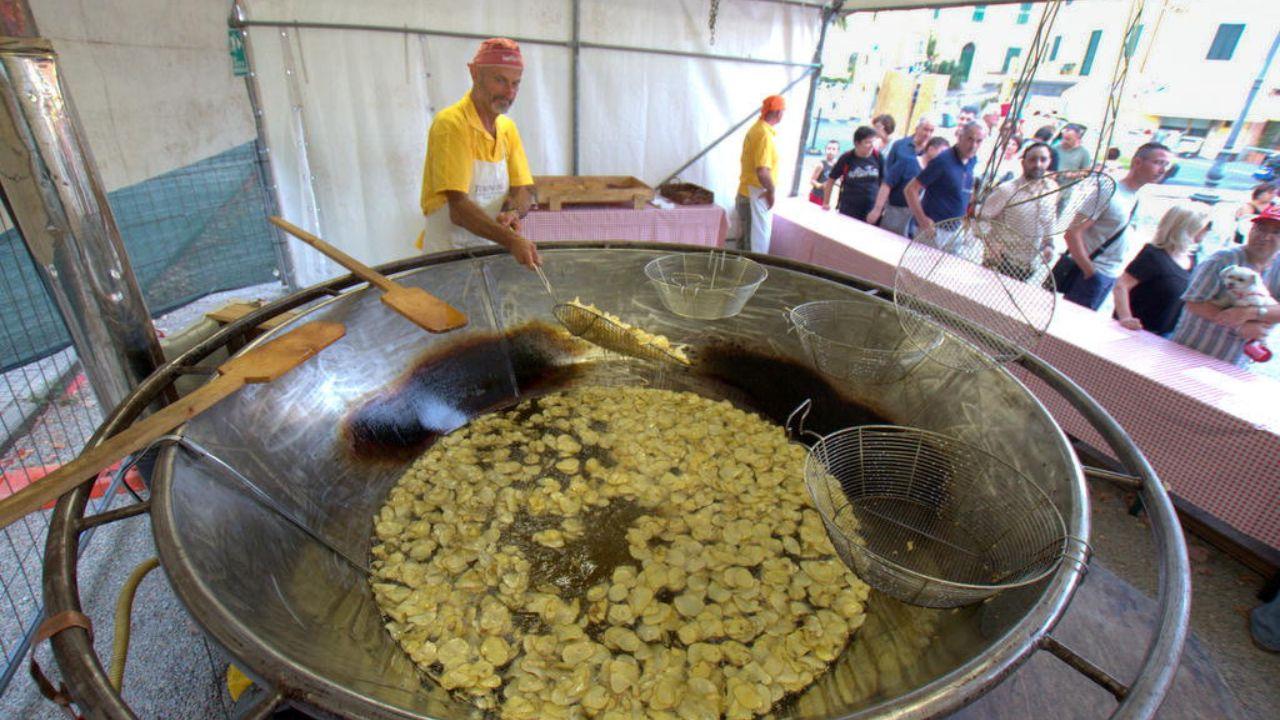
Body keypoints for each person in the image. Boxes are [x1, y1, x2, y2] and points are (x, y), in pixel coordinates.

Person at [419, 38, 540, 268]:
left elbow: (524, 188)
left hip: (489, 253)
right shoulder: (452, 124)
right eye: (500, 80)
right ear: (475, 74)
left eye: (516, 84)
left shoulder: (507, 128)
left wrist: (512, 210)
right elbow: (459, 211)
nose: (509, 92)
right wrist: (512, 241)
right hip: (448, 258)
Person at [1054, 142, 1172, 309]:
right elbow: (1073, 232)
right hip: (1091, 273)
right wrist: (1089, 270)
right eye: (1158, 162)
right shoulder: (1108, 191)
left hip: (1109, 274)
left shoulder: (1135, 196)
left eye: (1166, 165)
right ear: (1137, 162)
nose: (1162, 170)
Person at [1171, 205, 1280, 367]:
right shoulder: (1222, 259)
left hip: (1237, 362)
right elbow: (1194, 302)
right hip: (1193, 352)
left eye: (1276, 232)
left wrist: (1253, 313)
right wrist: (1239, 325)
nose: (1265, 237)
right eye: (1260, 229)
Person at [1112, 205, 1208, 337]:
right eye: (1202, 228)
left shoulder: (1193, 258)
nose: (1205, 233)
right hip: (1137, 332)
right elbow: (1121, 286)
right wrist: (1125, 318)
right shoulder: (1153, 255)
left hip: (1167, 333)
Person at [978, 142, 1058, 281]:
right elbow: (979, 218)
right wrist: (990, 245)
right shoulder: (1006, 190)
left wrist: (1049, 244)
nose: (1038, 164)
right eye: (1032, 159)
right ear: (1023, 162)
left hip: (1029, 266)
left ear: (1049, 162)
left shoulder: (1052, 189)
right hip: (1000, 262)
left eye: (1043, 159)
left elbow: (1049, 220)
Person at [905, 121, 988, 237]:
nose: (974, 145)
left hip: (955, 230)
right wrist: (922, 220)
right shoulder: (943, 161)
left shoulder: (972, 160)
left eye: (979, 141)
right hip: (933, 231)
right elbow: (910, 190)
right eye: (970, 139)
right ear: (960, 137)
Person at [879, 126, 947, 237]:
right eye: (942, 152)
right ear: (931, 149)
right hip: (896, 213)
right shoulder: (907, 162)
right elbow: (887, 184)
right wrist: (877, 209)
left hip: (915, 220)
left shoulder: (936, 172)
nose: (944, 157)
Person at [737, 95, 785, 253]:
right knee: (755, 246)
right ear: (779, 113)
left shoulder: (757, 129)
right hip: (756, 194)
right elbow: (762, 171)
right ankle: (748, 277)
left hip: (748, 193)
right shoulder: (764, 134)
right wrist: (771, 191)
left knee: (746, 243)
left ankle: (740, 276)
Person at [823, 126, 883, 223]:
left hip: (870, 210)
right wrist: (826, 203)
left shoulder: (878, 157)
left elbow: (884, 184)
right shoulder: (847, 157)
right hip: (849, 209)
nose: (871, 145)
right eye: (867, 142)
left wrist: (878, 209)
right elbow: (831, 179)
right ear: (857, 143)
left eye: (873, 142)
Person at [808, 140, 840, 205]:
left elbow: (835, 180)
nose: (831, 151)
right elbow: (812, 180)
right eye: (829, 149)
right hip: (816, 196)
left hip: (826, 197)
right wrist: (821, 186)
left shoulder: (836, 165)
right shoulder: (821, 165)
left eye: (834, 149)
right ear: (825, 150)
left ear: (837, 152)